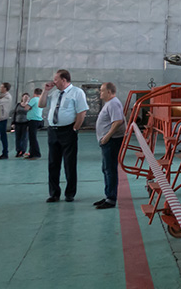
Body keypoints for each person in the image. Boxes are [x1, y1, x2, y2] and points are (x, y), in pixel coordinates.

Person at [38, 70, 88, 202]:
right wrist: (45, 91)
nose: (54, 82)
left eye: (56, 79)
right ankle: (54, 193)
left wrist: (75, 128)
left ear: (64, 80)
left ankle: (70, 193)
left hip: (68, 131)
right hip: (53, 131)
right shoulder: (55, 93)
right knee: (53, 163)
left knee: (69, 163)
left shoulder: (77, 92)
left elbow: (82, 112)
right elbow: (41, 104)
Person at [93, 82, 125, 209]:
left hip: (111, 141)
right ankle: (108, 195)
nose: (100, 93)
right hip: (108, 141)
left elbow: (118, 121)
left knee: (110, 169)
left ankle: (111, 198)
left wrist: (107, 136)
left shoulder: (113, 103)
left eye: (102, 90)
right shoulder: (110, 103)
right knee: (106, 169)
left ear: (109, 92)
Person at [25, 88, 43, 159]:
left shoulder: (34, 99)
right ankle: (31, 153)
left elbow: (26, 108)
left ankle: (36, 154)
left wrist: (26, 102)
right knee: (33, 137)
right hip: (39, 120)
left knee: (32, 138)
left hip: (33, 120)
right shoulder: (40, 100)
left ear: (34, 93)